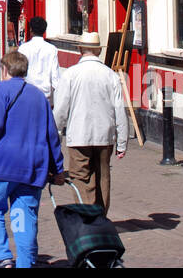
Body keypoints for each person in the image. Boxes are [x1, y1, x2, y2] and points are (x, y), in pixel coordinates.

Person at [0, 51, 65, 268]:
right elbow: (52, 135)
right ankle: (26, 262)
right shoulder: (39, 97)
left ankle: (3, 257)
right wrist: (57, 168)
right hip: (31, 168)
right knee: (23, 216)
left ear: (4, 69)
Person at [53, 34, 128, 216]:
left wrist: (55, 134)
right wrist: (122, 142)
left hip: (78, 135)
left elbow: (61, 109)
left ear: (79, 49)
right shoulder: (110, 75)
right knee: (103, 176)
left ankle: (88, 217)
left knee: (81, 177)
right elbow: (120, 110)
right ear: (99, 50)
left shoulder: (70, 74)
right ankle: (101, 216)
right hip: (105, 136)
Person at [19, 16, 61, 104]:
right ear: (44, 31)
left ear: (30, 30)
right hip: (45, 96)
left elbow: (19, 73)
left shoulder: (23, 48)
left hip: (27, 94)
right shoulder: (51, 49)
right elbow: (55, 77)